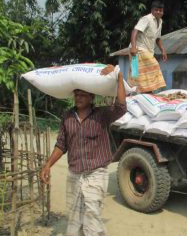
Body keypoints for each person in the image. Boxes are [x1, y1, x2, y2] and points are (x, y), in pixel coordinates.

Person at [40, 64, 127, 235]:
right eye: (76, 94)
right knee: (74, 218)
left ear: (91, 96)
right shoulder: (67, 116)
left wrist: (119, 77)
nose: (78, 98)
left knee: (92, 215)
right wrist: (48, 164)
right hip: (74, 174)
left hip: (96, 173)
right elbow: (61, 144)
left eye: (83, 95)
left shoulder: (102, 115)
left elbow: (121, 107)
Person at [129, 0, 167, 93]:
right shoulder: (147, 19)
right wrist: (133, 47)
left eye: (160, 10)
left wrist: (163, 50)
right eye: (156, 10)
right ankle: (136, 94)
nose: (158, 12)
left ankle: (144, 93)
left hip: (148, 51)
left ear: (163, 11)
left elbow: (158, 38)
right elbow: (135, 31)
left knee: (137, 75)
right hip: (138, 49)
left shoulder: (160, 21)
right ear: (152, 10)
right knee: (154, 66)